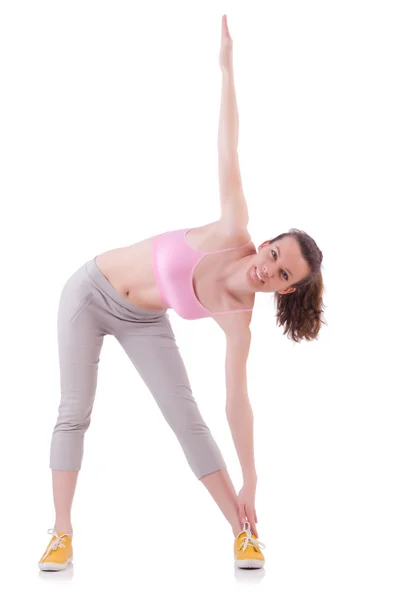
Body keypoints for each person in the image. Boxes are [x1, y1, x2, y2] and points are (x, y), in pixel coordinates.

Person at [38, 15, 325, 572]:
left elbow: (236, 404)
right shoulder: (231, 230)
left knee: (187, 418)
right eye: (274, 256)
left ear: (287, 290)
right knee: (74, 411)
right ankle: (60, 533)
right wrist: (226, 70)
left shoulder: (239, 319)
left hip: (144, 319)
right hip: (90, 291)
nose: (270, 271)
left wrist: (253, 477)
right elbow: (228, 147)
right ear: (264, 245)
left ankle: (244, 534)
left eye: (284, 275)